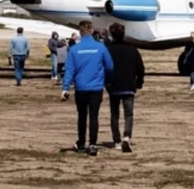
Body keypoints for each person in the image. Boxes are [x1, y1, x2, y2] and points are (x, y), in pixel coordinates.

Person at [62, 20, 113, 156]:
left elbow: (69, 70)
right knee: (94, 115)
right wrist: (106, 79)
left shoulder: (74, 49)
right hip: (96, 87)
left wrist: (65, 88)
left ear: (80, 32)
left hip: (81, 88)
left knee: (82, 115)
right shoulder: (100, 47)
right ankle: (92, 144)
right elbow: (110, 66)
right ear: (91, 31)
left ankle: (81, 142)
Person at [105, 22, 144, 152]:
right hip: (128, 85)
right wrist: (139, 82)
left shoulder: (108, 49)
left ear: (111, 34)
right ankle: (126, 136)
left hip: (113, 85)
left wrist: (106, 82)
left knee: (114, 114)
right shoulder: (132, 49)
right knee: (129, 114)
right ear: (123, 33)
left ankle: (116, 140)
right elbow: (140, 68)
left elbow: (104, 67)